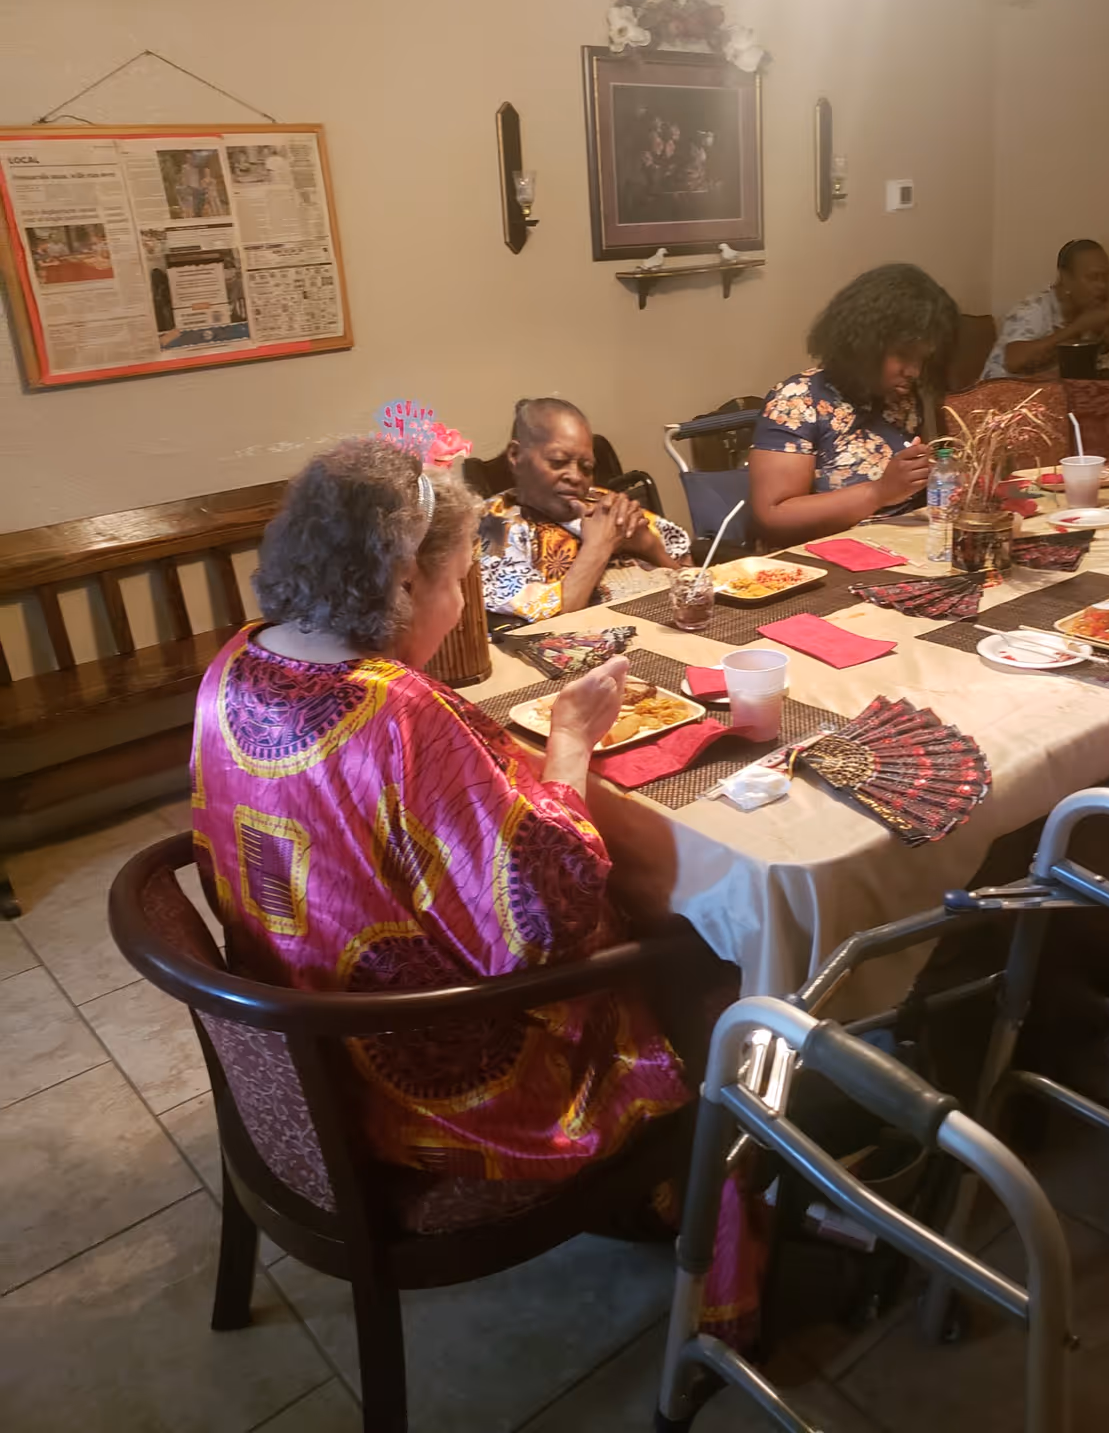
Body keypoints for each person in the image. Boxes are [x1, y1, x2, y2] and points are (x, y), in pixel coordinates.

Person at [190, 437, 757, 1334]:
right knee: (708, 955)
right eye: (455, 581)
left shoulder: (237, 663)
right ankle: (699, 1203)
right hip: (429, 1086)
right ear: (406, 581)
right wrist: (571, 738)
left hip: (304, 1036)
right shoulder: (395, 709)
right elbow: (549, 911)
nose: (458, 606)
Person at [749, 263, 959, 547]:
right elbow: (773, 518)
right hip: (826, 562)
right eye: (903, 355)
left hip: (904, 548)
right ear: (864, 345)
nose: (914, 371)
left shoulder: (905, 396)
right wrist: (878, 492)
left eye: (922, 359)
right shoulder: (798, 400)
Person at [480, 397, 691, 622]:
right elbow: (545, 628)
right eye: (558, 461)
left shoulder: (603, 502)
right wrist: (599, 545)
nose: (576, 477)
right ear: (515, 455)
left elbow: (691, 579)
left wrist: (649, 546)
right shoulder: (493, 527)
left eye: (586, 467)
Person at [982, 239, 1109, 381]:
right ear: (1066, 278)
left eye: (1105, 277)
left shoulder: (1090, 312)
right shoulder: (1034, 308)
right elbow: (1014, 361)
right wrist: (1078, 327)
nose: (1102, 286)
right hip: (996, 400)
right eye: (1093, 277)